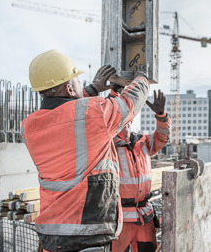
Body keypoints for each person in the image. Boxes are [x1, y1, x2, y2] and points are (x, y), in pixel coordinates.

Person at [21, 49, 150, 252]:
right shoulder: (93, 114)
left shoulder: (29, 126)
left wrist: (92, 88)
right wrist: (143, 77)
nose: (81, 83)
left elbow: (67, 114)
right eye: (77, 80)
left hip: (52, 236)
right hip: (86, 235)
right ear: (70, 89)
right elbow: (130, 101)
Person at [107, 87, 170, 252]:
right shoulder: (107, 145)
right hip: (119, 219)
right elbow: (96, 123)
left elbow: (162, 137)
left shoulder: (142, 141)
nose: (125, 122)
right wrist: (112, 95)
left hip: (144, 215)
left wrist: (161, 116)